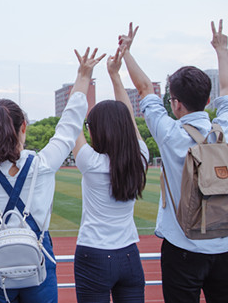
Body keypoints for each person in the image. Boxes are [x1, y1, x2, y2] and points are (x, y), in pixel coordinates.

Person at [0, 48, 104, 303]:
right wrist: (83, 76)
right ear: (23, 127)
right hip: (38, 254)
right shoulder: (43, 163)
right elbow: (69, 125)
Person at [119, 20, 228, 302]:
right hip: (224, 247)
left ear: (174, 103)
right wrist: (222, 49)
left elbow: (144, 88)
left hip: (182, 249)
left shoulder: (170, 133)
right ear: (209, 99)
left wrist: (126, 52)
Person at [71, 47, 149, 302]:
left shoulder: (91, 163)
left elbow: (70, 119)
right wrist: (115, 76)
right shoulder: (141, 156)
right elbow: (128, 117)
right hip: (129, 254)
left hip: (93, 255)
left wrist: (83, 76)